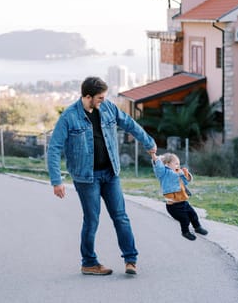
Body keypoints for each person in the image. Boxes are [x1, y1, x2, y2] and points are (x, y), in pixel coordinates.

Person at [47, 76, 157, 276]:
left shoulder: (108, 108)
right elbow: (54, 148)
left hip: (111, 173)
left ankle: (130, 260)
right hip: (86, 178)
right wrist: (57, 181)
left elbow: (130, 124)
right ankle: (89, 262)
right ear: (87, 97)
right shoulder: (69, 117)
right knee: (92, 220)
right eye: (99, 97)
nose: (103, 101)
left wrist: (149, 142)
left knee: (121, 217)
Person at [150, 152, 208, 241]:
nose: (178, 165)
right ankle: (185, 232)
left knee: (193, 214)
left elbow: (186, 181)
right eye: (176, 163)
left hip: (183, 202)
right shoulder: (164, 173)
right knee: (185, 219)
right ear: (167, 164)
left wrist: (186, 174)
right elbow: (158, 167)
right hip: (173, 206)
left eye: (179, 164)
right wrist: (154, 157)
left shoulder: (178, 172)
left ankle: (197, 227)